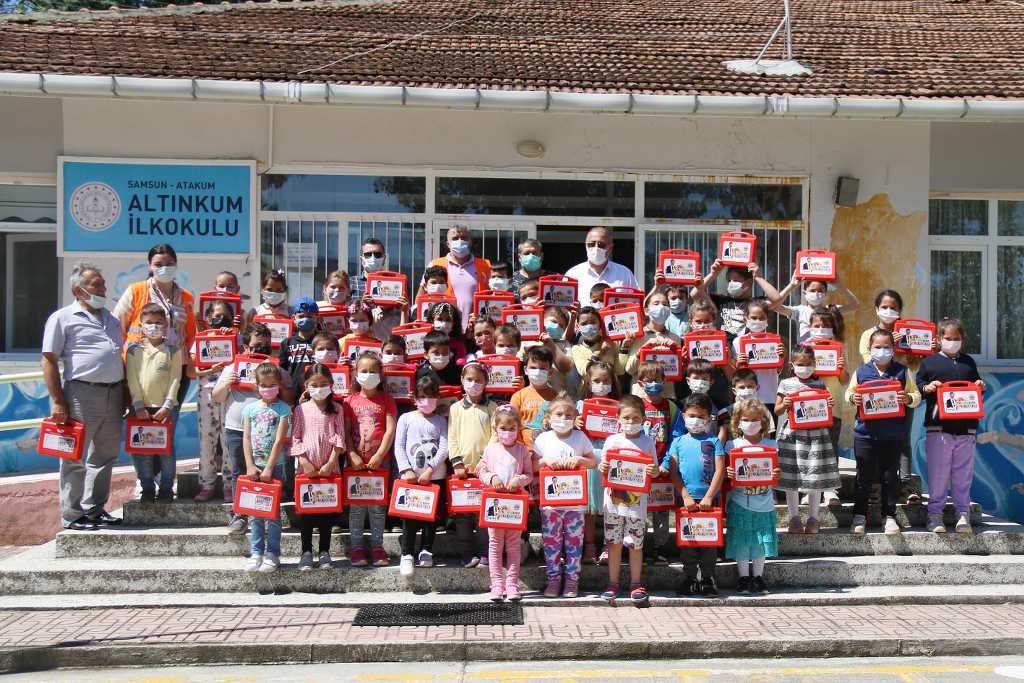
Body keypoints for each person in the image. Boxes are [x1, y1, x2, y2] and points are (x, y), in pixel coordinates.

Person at [41, 262, 125, 530]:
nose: (103, 288)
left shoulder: (111, 318)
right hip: (81, 393)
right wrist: (57, 400)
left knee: (105, 454)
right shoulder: (63, 317)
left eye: (102, 283)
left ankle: (94, 509)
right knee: (74, 456)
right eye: (95, 284)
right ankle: (72, 514)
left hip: (114, 392)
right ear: (79, 290)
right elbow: (49, 360)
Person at [858, 289, 936, 503]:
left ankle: (905, 485)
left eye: (893, 307)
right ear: (876, 309)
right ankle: (874, 484)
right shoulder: (868, 334)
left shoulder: (909, 334)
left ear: (900, 310)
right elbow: (868, 361)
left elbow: (915, 364)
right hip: (876, 392)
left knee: (903, 439)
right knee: (873, 438)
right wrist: (890, 344)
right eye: (884, 306)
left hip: (903, 390)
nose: (889, 311)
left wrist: (923, 349)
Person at [213, 323, 289, 535]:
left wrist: (276, 385)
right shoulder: (232, 368)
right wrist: (226, 383)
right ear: (246, 346)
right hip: (237, 429)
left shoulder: (276, 370)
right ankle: (240, 515)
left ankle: (269, 513)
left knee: (269, 472)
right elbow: (217, 397)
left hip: (269, 432)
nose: (261, 349)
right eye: (256, 345)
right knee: (240, 471)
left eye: (265, 345)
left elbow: (287, 399)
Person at [846, 329, 921, 535]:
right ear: (870, 349)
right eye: (877, 347)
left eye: (886, 347)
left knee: (890, 477)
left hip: (892, 435)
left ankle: (889, 516)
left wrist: (908, 399)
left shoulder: (902, 371)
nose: (882, 351)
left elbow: (916, 394)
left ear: (893, 349)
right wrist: (854, 399)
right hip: (865, 434)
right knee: (863, 477)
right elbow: (849, 393)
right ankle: (859, 516)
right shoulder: (861, 372)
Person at [917, 318, 985, 534]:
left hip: (967, 429)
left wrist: (980, 385)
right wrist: (928, 387)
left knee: (963, 475)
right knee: (938, 474)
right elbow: (918, 387)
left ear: (962, 340)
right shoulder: (929, 363)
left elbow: (976, 386)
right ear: (939, 339)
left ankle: (962, 513)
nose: (952, 342)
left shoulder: (969, 363)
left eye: (956, 339)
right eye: (948, 338)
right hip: (938, 429)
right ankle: (935, 515)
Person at [597, 395, 658, 605]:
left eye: (635, 418)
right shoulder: (612, 440)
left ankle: (636, 583)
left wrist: (653, 470)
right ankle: (612, 583)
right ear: (618, 418)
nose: (630, 422)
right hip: (613, 504)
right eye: (626, 417)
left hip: (636, 506)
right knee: (614, 544)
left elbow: (655, 470)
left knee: (635, 545)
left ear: (643, 419)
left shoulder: (648, 441)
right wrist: (603, 467)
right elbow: (602, 467)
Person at [533, 395, 596, 598]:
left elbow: (592, 461)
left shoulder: (580, 437)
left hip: (575, 504)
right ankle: (553, 580)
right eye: (559, 414)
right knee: (551, 543)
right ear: (549, 418)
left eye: (568, 415)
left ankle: (572, 581)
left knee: (574, 544)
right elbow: (532, 464)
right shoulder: (542, 439)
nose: (563, 418)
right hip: (550, 504)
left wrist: (579, 459)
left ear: (575, 417)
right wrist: (546, 461)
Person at [663, 393, 726, 597]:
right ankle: (690, 577)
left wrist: (709, 496)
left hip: (709, 500)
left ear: (709, 418)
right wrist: (685, 495)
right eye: (691, 415)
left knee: (709, 542)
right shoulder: (678, 442)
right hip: (686, 500)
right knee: (688, 542)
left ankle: (708, 578)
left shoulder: (714, 441)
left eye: (701, 416)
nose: (696, 420)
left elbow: (720, 470)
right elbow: (673, 471)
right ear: (683, 416)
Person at [776, 345, 841, 535]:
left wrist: (829, 403)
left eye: (809, 364)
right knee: (791, 477)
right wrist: (785, 403)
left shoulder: (820, 384)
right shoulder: (785, 383)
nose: (804, 367)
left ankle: (814, 518)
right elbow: (777, 410)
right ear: (792, 365)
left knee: (815, 478)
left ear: (815, 364)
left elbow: (826, 408)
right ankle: (794, 518)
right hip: (792, 436)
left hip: (816, 436)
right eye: (800, 364)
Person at [343, 352, 398, 567]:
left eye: (373, 371)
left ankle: (377, 546)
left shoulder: (387, 399)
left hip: (380, 463)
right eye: (364, 371)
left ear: (381, 375)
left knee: (377, 507)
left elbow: (390, 429)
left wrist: (380, 455)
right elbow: (346, 432)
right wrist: (352, 454)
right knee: (356, 508)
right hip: (355, 464)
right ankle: (356, 548)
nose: (368, 375)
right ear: (356, 374)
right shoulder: (349, 401)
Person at [290, 363, 346, 570]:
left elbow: (340, 438)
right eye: (314, 384)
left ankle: (324, 551)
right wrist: (304, 462)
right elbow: (295, 437)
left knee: (326, 512)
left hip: (329, 469)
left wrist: (331, 462)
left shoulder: (337, 409)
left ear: (331, 384)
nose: (319, 387)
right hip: (307, 470)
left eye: (324, 384)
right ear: (307, 385)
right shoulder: (301, 409)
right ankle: (306, 551)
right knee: (306, 512)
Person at [126, 303, 183, 502]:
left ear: (166, 325)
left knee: (165, 450)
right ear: (141, 325)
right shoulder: (133, 351)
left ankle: (167, 487)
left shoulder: (173, 351)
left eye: (158, 322)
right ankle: (147, 486)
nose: (153, 326)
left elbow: (176, 379)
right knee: (142, 451)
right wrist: (138, 405)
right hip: (140, 409)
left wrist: (168, 405)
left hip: (166, 409)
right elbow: (132, 379)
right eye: (148, 323)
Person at [477, 404, 534, 601]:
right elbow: (481, 470)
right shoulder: (491, 449)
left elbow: (529, 474)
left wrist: (519, 480)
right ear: (496, 429)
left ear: (518, 428)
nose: (507, 433)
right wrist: (492, 477)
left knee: (513, 546)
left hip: (515, 505)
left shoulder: (522, 450)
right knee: (494, 545)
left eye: (512, 429)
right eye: (503, 428)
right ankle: (496, 584)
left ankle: (511, 584)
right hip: (494, 505)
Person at [724, 398, 780, 595]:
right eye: (746, 419)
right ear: (738, 421)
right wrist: (728, 474)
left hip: (764, 503)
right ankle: (743, 577)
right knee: (741, 540)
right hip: (739, 501)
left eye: (755, 419)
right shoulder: (732, 444)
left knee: (759, 542)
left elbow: (775, 475)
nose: (750, 423)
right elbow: (724, 474)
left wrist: (775, 476)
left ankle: (758, 577)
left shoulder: (772, 445)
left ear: (763, 422)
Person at [396, 375, 449, 576]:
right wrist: (405, 469)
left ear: (437, 398)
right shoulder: (406, 418)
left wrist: (430, 470)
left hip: (434, 476)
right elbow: (399, 446)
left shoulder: (440, 421)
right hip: (409, 478)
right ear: (415, 398)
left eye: (431, 396)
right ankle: (407, 554)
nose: (426, 401)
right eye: (422, 397)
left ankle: (427, 550)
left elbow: (444, 447)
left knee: (431, 517)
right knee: (409, 518)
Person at [241, 363, 291, 573]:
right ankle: (256, 552)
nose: (268, 388)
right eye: (263, 385)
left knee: (272, 514)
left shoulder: (284, 409)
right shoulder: (250, 409)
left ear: (278, 385)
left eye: (272, 385)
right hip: (255, 468)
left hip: (275, 467)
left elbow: (280, 440)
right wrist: (250, 465)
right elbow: (246, 437)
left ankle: (273, 553)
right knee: (256, 513)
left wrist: (270, 468)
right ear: (257, 385)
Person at [633, 361, 684, 564]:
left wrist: (665, 464)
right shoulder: (636, 405)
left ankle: (658, 548)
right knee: (639, 513)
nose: (654, 383)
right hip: (638, 471)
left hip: (662, 472)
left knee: (661, 514)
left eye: (658, 380)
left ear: (664, 381)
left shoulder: (671, 407)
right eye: (649, 380)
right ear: (640, 382)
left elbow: (676, 438)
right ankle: (640, 548)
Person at [447, 362, 496, 567]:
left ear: (486, 382)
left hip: (485, 471)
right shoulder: (455, 408)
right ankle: (466, 552)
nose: (474, 384)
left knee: (484, 513)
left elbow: (496, 436)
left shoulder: (492, 407)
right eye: (469, 379)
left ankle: (485, 551)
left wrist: (485, 463)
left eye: (478, 380)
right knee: (463, 514)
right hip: (462, 471)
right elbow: (452, 437)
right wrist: (457, 463)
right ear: (462, 380)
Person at [575, 360, 620, 565]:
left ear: (612, 382)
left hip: (611, 459)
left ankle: (608, 546)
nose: (601, 384)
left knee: (610, 506)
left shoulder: (619, 407)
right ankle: (589, 545)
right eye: (596, 381)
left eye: (605, 381)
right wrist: (575, 421)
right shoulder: (580, 405)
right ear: (588, 381)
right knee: (590, 507)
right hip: (589, 458)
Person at [192, 300, 236, 502]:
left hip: (229, 395)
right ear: (209, 318)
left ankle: (229, 485)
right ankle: (207, 484)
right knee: (207, 440)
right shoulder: (200, 340)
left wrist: (233, 336)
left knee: (227, 440)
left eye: (224, 315)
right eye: (216, 315)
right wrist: (211, 369)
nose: (220, 319)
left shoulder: (236, 338)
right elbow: (191, 370)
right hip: (206, 394)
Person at [690, 261, 781, 342]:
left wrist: (758, 278)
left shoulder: (755, 304)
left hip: (745, 347)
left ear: (748, 283)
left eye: (735, 280)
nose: (731, 283)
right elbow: (695, 294)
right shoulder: (721, 301)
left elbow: (776, 299)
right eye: (729, 280)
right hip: (722, 346)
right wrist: (713, 273)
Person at [425, 226, 492, 332]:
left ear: (470, 242)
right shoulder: (435, 264)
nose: (460, 241)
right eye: (455, 238)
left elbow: (493, 297)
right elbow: (421, 295)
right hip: (444, 329)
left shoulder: (485, 265)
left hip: (476, 330)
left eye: (464, 238)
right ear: (448, 244)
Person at [771, 273, 859, 343]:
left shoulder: (831, 310)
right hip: (806, 355)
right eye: (812, 291)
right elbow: (775, 306)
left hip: (826, 356)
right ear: (805, 293)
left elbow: (855, 305)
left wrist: (839, 285)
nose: (816, 293)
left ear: (825, 293)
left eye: (820, 291)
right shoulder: (799, 311)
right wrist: (791, 285)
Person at [351, 238, 408, 340]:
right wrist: (363, 306)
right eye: (368, 255)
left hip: (388, 340)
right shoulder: (351, 283)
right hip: (360, 341)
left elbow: (403, 314)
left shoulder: (395, 283)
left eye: (377, 255)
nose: (373, 258)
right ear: (361, 259)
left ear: (384, 258)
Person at [565, 227, 638, 304]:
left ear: (610, 248)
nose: (596, 248)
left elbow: (636, 303)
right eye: (591, 244)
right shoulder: (572, 274)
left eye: (601, 245)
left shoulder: (624, 274)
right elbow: (563, 306)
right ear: (586, 246)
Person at [510, 346, 560, 451]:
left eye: (542, 368)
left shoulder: (557, 397)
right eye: (533, 367)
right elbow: (513, 425)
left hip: (550, 451)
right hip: (523, 451)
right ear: (525, 370)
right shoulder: (518, 396)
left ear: (550, 371)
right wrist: (520, 451)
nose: (537, 371)